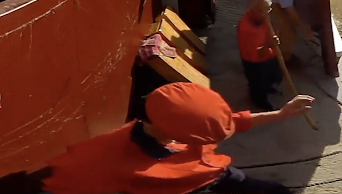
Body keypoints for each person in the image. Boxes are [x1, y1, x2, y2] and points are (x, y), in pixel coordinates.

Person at [42, 81, 313, 194]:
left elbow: (235, 123)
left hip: (217, 177)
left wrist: (280, 113)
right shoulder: (114, 163)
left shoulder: (180, 127)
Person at [238, 0, 282, 111]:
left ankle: (268, 87)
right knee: (258, 84)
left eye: (269, 10)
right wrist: (268, 44)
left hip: (268, 55)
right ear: (252, 10)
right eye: (264, 11)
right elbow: (256, 54)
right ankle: (260, 102)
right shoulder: (247, 29)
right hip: (255, 62)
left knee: (274, 75)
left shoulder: (262, 19)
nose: (267, 14)